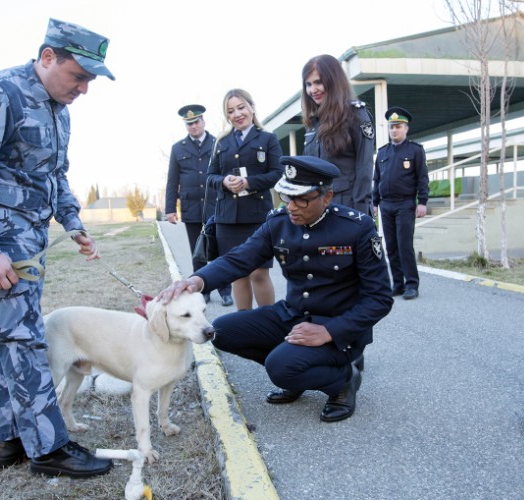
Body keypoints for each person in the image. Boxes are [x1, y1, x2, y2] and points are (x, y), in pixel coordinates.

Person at [0, 18, 115, 479]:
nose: (84, 89)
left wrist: (73, 223)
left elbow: (54, 175)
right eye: (79, 76)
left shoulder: (59, 109)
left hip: (30, 244)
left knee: (7, 343)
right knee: (25, 341)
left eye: (91, 80)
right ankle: (48, 448)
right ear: (47, 56)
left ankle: (8, 439)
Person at [159, 155, 393, 422]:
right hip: (292, 315)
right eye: (285, 196)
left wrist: (329, 331)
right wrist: (196, 281)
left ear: (326, 197)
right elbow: (240, 258)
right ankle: (299, 369)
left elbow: (380, 298)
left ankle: (343, 380)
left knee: (280, 367)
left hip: (340, 328)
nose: (291, 206)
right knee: (222, 331)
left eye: (300, 199)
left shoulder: (356, 228)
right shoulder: (279, 222)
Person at [207, 88, 284, 311]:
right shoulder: (221, 142)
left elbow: (277, 172)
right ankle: (244, 328)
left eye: (241, 107)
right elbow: (210, 175)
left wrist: (249, 182)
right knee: (237, 275)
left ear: (251, 107)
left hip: (257, 216)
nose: (237, 114)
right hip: (227, 218)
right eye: (231, 111)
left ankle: (268, 324)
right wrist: (224, 182)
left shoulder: (268, 138)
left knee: (259, 273)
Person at [165, 104, 233, 306]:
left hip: (218, 205)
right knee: (198, 252)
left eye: (196, 122)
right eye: (189, 124)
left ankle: (225, 290)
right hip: (192, 207)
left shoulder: (218, 143)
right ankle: (202, 290)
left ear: (203, 122)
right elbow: (172, 180)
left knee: (221, 251)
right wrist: (170, 208)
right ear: (186, 126)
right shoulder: (178, 148)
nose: (193, 126)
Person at [301, 54, 375, 215]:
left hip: (347, 208)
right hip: (317, 209)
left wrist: (359, 216)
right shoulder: (313, 123)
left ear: (334, 80)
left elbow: (364, 168)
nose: (313, 90)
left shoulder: (355, 114)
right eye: (308, 84)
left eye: (318, 82)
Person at [372, 106, 429, 300]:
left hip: (405, 204)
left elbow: (422, 178)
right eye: (391, 127)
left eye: (398, 126)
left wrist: (422, 202)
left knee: (405, 245)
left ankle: (412, 284)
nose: (394, 130)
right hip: (386, 206)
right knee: (391, 247)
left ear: (406, 128)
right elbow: (376, 179)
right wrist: (374, 202)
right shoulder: (382, 153)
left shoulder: (415, 151)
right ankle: (397, 284)